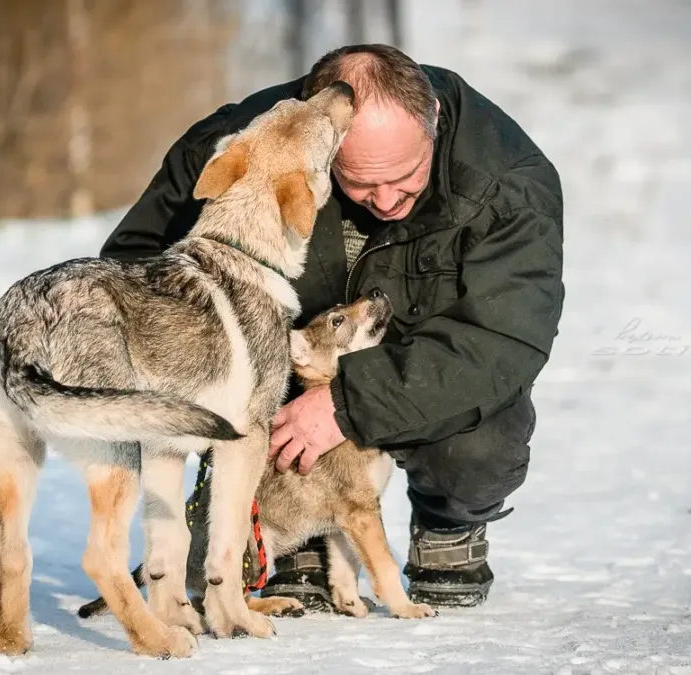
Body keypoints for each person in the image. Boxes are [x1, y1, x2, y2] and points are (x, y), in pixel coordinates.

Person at [98, 44, 564, 609]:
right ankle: (295, 529)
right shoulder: (252, 146)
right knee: (248, 387)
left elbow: (503, 339)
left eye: (406, 176)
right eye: (360, 181)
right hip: (288, 359)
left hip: (430, 366)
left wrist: (347, 401)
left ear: (434, 121)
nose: (385, 200)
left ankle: (448, 521)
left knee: (482, 443)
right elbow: (133, 269)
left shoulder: (508, 183)